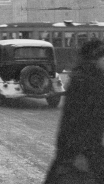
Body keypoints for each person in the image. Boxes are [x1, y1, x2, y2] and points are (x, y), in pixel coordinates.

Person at [44, 39, 104, 183]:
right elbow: (75, 122)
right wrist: (79, 154)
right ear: (95, 59)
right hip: (82, 152)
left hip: (84, 150)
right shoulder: (87, 82)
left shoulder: (88, 78)